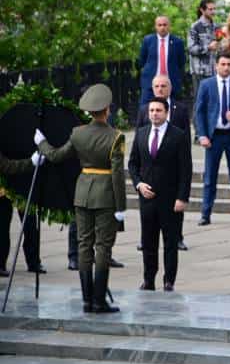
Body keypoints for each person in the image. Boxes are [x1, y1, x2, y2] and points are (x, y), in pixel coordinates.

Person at [35, 84, 126, 314]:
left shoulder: (77, 133)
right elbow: (117, 174)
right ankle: (99, 301)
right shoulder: (116, 137)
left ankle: (87, 301)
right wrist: (121, 207)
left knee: (84, 245)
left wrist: (41, 143)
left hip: (82, 193)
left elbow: (56, 156)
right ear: (106, 109)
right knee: (103, 247)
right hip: (105, 196)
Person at [129, 97, 192, 292]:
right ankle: (149, 279)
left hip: (170, 199)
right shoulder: (141, 134)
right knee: (148, 242)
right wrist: (138, 184)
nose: (154, 114)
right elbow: (133, 163)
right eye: (151, 111)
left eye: (158, 110)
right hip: (147, 198)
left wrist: (182, 197)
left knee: (170, 242)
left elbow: (185, 169)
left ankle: (169, 280)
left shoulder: (178, 135)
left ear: (166, 113)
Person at [195, 53, 230, 226]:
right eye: (223, 64)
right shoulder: (207, 85)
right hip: (214, 136)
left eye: (229, 64)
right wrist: (202, 135)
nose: (226, 67)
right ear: (216, 66)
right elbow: (199, 112)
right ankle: (205, 214)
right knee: (209, 177)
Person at [136, 74, 191, 251]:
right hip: (150, 175)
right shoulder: (145, 110)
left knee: (174, 215)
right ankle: (145, 239)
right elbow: (139, 139)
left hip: (172, 171)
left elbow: (186, 138)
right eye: (157, 86)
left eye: (163, 86)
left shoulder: (180, 109)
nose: (160, 89)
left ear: (170, 87)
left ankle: (178, 237)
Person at [0, 152, 43, 277]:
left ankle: (33, 261)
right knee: (2, 227)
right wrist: (31, 162)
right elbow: (6, 166)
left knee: (30, 224)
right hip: (4, 186)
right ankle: (0, 263)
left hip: (23, 182)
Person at [188, 0, 219, 134]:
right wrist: (208, 47)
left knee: (213, 102)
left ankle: (210, 130)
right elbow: (191, 48)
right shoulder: (195, 27)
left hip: (214, 70)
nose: (213, 11)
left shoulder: (216, 27)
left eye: (214, 8)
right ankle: (198, 133)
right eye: (210, 9)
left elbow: (220, 47)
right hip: (199, 71)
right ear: (202, 10)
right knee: (200, 102)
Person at [138, 16, 186, 105]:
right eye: (159, 25)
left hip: (171, 83)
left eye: (165, 25)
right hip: (151, 83)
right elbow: (142, 60)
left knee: (172, 111)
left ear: (169, 26)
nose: (162, 27)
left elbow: (181, 62)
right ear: (155, 26)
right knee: (146, 110)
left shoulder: (177, 42)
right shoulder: (148, 40)